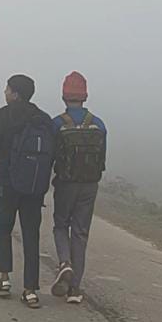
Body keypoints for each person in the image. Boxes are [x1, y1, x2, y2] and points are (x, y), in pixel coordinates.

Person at [0, 74, 54, 308]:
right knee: (30, 234)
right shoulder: (43, 119)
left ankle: (4, 281)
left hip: (8, 183)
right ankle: (30, 290)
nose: (4, 92)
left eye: (7, 89)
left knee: (3, 228)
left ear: (15, 93)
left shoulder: (3, 116)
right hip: (34, 187)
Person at [50, 71, 107, 305]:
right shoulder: (98, 124)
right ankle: (74, 290)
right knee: (81, 233)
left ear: (64, 96)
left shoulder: (57, 124)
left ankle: (65, 263)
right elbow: (102, 158)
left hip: (65, 184)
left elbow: (50, 157)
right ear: (85, 96)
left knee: (61, 225)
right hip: (90, 185)